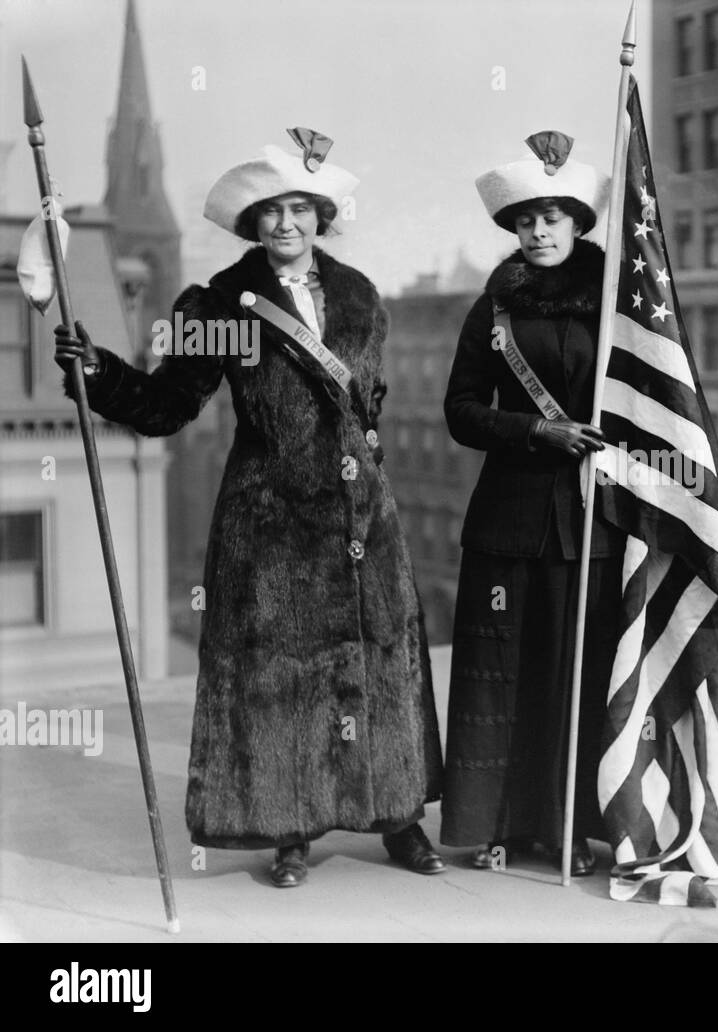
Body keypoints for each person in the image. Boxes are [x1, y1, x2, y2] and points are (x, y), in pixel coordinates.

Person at [54, 133, 444, 887]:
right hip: (269, 522)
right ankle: (287, 828)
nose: (285, 223)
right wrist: (100, 372)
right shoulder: (218, 304)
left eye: (300, 208)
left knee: (380, 668)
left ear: (321, 214)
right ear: (251, 220)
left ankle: (400, 817)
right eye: (270, 210)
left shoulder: (361, 295)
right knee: (278, 676)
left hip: (363, 518)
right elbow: (169, 405)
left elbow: (370, 403)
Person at [441, 131, 619, 876]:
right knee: (504, 671)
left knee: (577, 672)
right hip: (509, 520)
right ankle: (497, 825)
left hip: (593, 519)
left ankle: (573, 826)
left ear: (578, 222)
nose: (538, 232)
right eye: (525, 220)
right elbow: (459, 410)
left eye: (552, 217)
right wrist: (534, 429)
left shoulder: (618, 304)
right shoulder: (494, 309)